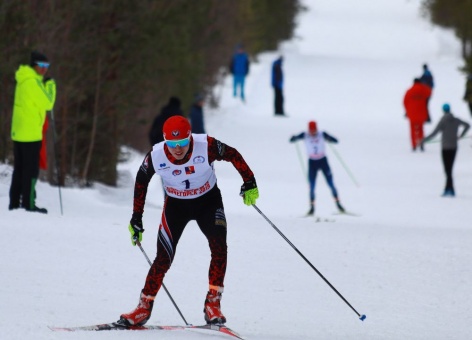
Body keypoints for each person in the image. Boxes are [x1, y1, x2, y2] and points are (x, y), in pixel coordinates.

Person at [119, 116, 259, 326]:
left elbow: (233, 154)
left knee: (219, 247)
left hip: (208, 202)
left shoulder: (206, 145)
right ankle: (143, 307)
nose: (177, 149)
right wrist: (136, 218)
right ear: (165, 139)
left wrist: (249, 182)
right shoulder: (156, 155)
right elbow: (141, 182)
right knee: (163, 258)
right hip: (176, 206)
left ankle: (213, 303)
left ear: (190, 137)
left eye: (183, 143)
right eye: (172, 144)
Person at [9, 51, 56, 213]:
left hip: (19, 132)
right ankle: (28, 204)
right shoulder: (33, 82)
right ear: (34, 65)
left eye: (46, 66)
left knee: (19, 169)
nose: (44, 69)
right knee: (30, 170)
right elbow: (48, 103)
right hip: (31, 134)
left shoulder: (23, 79)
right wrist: (51, 85)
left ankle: (14, 203)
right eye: (41, 66)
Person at [289, 121, 345, 216]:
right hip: (312, 163)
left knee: (330, 183)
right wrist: (294, 138)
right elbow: (292, 140)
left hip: (323, 161)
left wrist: (329, 139)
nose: (313, 133)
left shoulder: (322, 134)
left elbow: (336, 140)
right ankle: (312, 208)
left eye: (314, 130)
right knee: (312, 186)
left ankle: (339, 205)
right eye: (311, 131)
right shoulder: (305, 135)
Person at [421, 103, 470, 197]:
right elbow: (467, 125)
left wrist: (423, 140)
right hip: (454, 147)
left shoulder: (443, 121)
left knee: (447, 170)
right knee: (449, 169)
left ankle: (449, 189)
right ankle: (449, 188)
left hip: (445, 148)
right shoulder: (456, 120)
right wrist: (461, 135)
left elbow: (434, 133)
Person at [403, 78, 432, 151]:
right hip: (422, 113)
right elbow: (429, 93)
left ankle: (414, 145)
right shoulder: (424, 89)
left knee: (412, 130)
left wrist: (408, 110)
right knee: (421, 129)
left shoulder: (409, 91)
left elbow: (405, 102)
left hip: (412, 114)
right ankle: (421, 144)